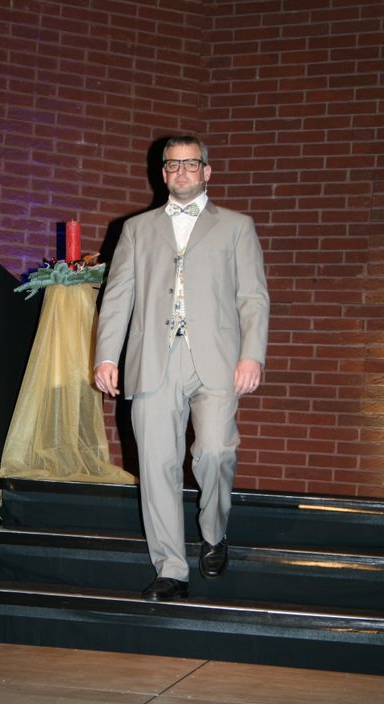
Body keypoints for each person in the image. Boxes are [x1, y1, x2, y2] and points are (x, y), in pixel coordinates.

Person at [94, 135, 269, 601]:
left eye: (191, 164)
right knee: (156, 466)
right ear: (163, 173)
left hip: (217, 360)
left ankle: (214, 531)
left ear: (206, 171)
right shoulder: (136, 229)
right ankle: (170, 568)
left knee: (214, 452)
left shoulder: (236, 227)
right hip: (152, 359)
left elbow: (252, 296)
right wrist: (107, 355)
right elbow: (118, 296)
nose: (181, 171)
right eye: (172, 165)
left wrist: (252, 354)